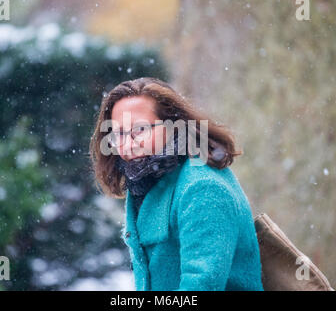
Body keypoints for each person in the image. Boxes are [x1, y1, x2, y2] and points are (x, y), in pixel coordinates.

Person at [89, 77, 263, 291]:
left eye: (140, 130)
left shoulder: (203, 187)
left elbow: (201, 286)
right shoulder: (147, 184)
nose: (128, 144)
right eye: (119, 134)